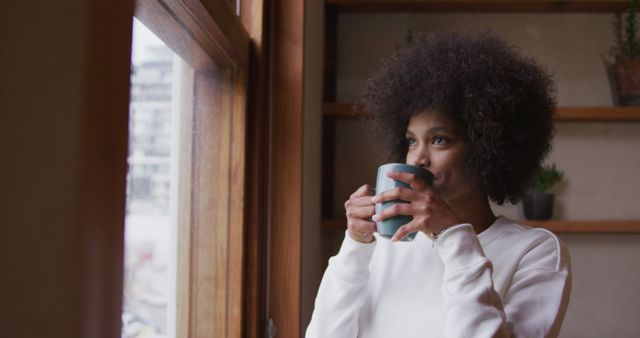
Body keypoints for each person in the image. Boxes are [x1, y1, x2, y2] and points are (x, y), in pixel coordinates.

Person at [306, 31, 571, 338]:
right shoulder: (383, 245)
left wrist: (453, 236)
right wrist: (355, 245)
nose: (418, 158)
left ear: (489, 148)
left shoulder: (535, 251)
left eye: (439, 140)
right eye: (410, 141)